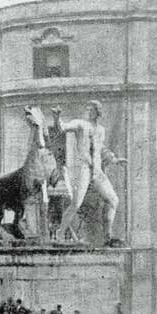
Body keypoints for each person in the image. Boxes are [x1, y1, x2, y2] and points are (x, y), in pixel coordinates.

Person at [52, 101, 126, 246]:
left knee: (113, 200)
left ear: (98, 112)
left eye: (92, 110)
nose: (89, 112)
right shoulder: (80, 124)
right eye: (88, 109)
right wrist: (56, 117)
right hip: (83, 169)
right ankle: (59, 234)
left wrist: (114, 159)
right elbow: (63, 128)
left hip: (97, 171)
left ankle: (107, 237)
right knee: (76, 203)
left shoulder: (101, 130)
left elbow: (101, 149)